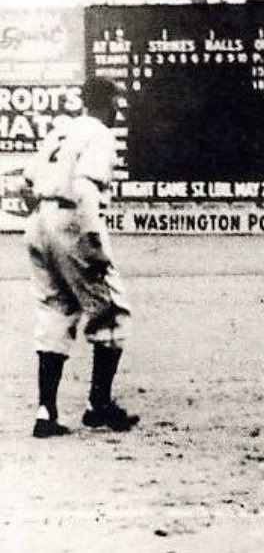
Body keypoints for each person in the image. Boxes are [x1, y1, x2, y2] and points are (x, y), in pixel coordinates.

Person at [23, 77, 139, 438]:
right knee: (111, 310)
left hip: (40, 220)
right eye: (117, 103)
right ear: (109, 104)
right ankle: (98, 405)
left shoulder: (61, 129)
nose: (119, 109)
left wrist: (43, 214)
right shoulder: (100, 134)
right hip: (74, 220)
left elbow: (27, 181)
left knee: (55, 309)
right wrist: (91, 238)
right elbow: (86, 186)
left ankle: (46, 413)